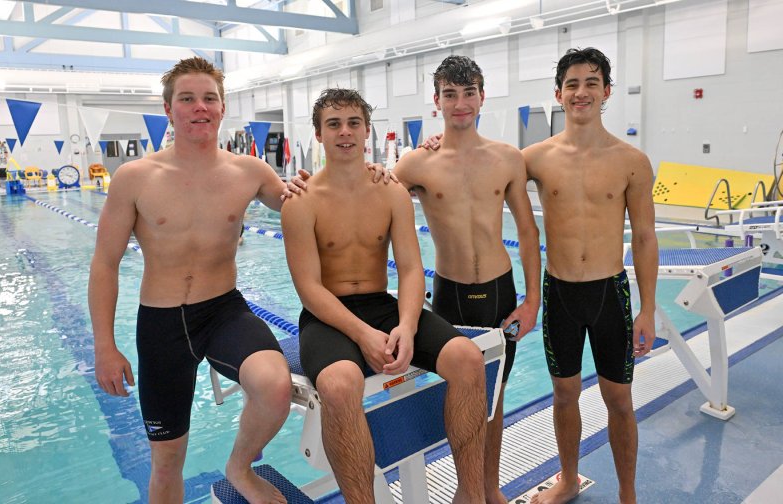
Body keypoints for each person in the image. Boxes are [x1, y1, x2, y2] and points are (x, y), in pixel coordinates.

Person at [88, 57, 292, 504]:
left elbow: (308, 204)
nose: (199, 107)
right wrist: (104, 345)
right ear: (168, 109)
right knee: (166, 462)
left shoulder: (250, 171)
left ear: (222, 108)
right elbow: (105, 263)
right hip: (161, 325)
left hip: (223, 311)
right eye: (187, 99)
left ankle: (240, 467)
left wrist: (374, 172)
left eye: (209, 98)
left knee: (276, 387)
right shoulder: (135, 177)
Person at [281, 88, 489, 503]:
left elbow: (411, 269)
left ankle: (470, 495)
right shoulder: (301, 202)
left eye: (353, 122)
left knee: (467, 359)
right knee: (341, 386)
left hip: (382, 304)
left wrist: (407, 327)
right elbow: (308, 288)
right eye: (333, 124)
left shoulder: (391, 191)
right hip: (328, 316)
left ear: (367, 130)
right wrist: (362, 335)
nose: (345, 132)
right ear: (318, 135)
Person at [394, 55, 542, 504]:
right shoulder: (416, 163)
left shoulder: (508, 158)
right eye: (450, 94)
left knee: (494, 401)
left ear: (482, 96)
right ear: (436, 101)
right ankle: (465, 489)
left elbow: (528, 231)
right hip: (450, 295)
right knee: (458, 404)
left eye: (468, 93)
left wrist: (532, 300)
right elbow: (366, 199)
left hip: (499, 292)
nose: (460, 103)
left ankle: (487, 488)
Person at [524, 47, 658, 504]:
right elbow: (478, 170)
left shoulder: (631, 160)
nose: (582, 92)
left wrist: (648, 309)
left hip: (610, 294)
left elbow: (644, 237)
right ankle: (567, 479)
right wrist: (433, 145)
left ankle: (627, 493)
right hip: (558, 292)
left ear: (607, 92)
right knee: (564, 395)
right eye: (573, 84)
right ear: (558, 93)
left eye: (592, 83)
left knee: (618, 399)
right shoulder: (535, 158)